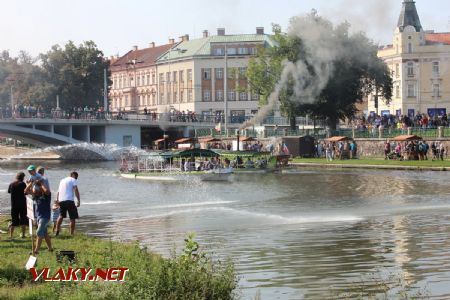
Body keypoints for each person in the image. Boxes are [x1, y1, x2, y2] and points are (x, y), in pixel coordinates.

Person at [25, 176, 52, 254]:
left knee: (39, 232)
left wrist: (41, 184)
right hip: (39, 217)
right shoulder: (36, 197)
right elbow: (26, 191)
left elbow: (46, 191)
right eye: (35, 190)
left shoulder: (47, 196)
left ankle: (36, 250)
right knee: (45, 233)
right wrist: (29, 184)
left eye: (37, 190)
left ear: (41, 189)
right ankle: (50, 248)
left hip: (45, 216)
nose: (35, 191)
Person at [55, 171, 80, 236]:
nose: (76, 178)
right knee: (72, 218)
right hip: (69, 201)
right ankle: (71, 234)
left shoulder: (62, 180)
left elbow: (58, 192)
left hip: (61, 201)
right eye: (76, 177)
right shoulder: (73, 179)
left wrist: (57, 201)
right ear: (73, 175)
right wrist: (78, 200)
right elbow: (76, 190)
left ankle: (57, 230)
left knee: (61, 216)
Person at [8, 172, 27, 239]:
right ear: (23, 177)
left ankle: (11, 235)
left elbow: (9, 191)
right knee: (23, 219)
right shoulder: (23, 184)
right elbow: (26, 192)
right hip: (22, 204)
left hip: (14, 205)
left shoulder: (11, 184)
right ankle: (23, 235)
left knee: (14, 220)